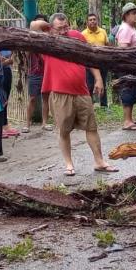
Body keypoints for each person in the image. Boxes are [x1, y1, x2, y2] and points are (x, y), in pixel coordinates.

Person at [30, 13, 118, 176]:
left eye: (66, 27)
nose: (64, 31)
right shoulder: (46, 41)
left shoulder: (76, 36)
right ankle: (69, 164)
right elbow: (33, 26)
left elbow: (89, 58)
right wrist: (50, 28)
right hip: (60, 93)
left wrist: (98, 78)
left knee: (92, 127)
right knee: (64, 131)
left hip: (82, 91)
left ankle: (99, 161)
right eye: (59, 28)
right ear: (51, 28)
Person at [115, 3, 136, 130]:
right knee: (128, 92)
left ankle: (130, 119)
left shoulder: (131, 28)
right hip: (128, 67)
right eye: (133, 13)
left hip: (134, 67)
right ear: (126, 15)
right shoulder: (125, 29)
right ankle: (127, 121)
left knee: (133, 92)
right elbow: (123, 50)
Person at [23, 15, 53, 133]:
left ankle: (44, 123)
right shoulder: (30, 40)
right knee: (32, 98)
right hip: (34, 73)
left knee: (46, 98)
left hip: (46, 72)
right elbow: (26, 54)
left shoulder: (48, 40)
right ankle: (27, 124)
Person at [81, 13, 109, 108]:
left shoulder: (103, 32)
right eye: (90, 20)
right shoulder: (83, 34)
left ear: (97, 20)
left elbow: (107, 45)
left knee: (103, 83)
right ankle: (89, 105)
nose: (92, 21)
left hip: (103, 62)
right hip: (89, 63)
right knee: (89, 84)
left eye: (94, 19)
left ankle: (104, 105)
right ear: (87, 22)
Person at [0, 50, 20, 138]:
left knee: (5, 100)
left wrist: (7, 60)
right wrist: (6, 61)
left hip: (7, 71)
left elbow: (13, 58)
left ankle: (4, 124)